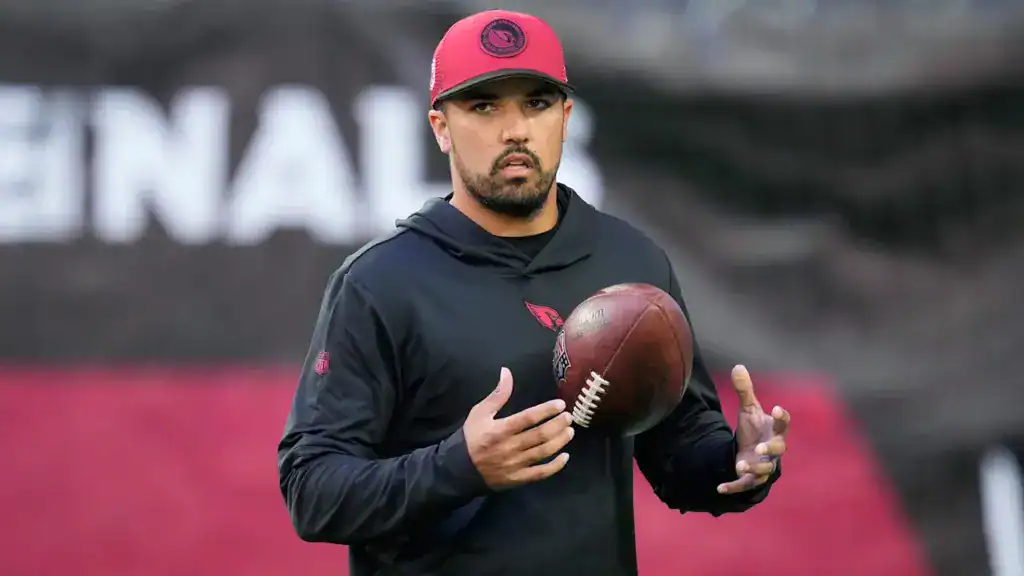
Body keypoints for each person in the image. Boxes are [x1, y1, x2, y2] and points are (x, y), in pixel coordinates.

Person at [277, 9, 789, 576]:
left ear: (566, 118)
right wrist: (459, 466)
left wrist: (738, 461)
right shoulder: (379, 283)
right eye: (484, 105)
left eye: (536, 103)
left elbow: (680, 453)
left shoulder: (631, 262)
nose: (515, 128)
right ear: (440, 127)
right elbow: (313, 490)